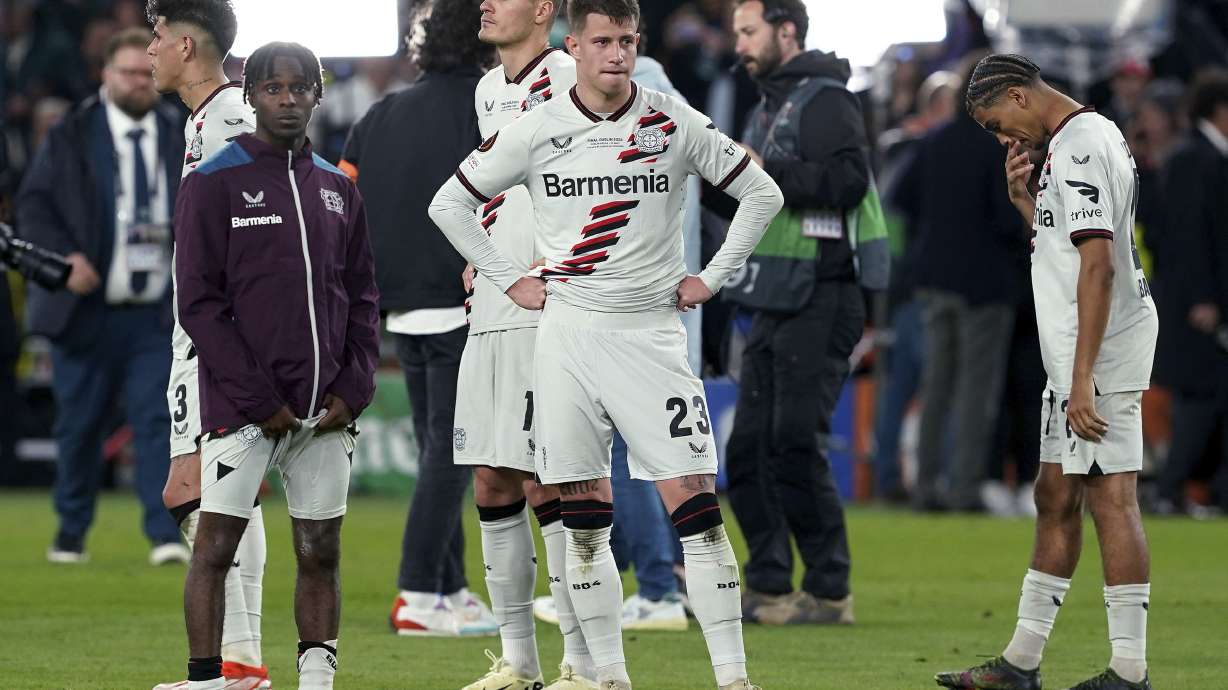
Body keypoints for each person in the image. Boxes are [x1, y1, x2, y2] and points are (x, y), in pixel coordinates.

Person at [430, 1, 783, 687]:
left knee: (696, 503)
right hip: (565, 336)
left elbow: (761, 193)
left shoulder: (671, 118)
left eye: (626, 41)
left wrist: (712, 277)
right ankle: (606, 678)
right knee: (583, 516)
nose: (614, 54)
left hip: (651, 335)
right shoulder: (537, 126)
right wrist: (510, 278)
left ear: (638, 44)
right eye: (602, 42)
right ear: (577, 45)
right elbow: (449, 202)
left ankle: (735, 678)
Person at [936, 54, 1159, 690]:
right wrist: (1024, 204)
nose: (1002, 137)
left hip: (1101, 351)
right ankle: (1021, 662)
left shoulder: (1083, 145)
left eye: (996, 121)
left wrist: (1084, 375)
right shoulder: (1077, 139)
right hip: (1074, 354)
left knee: (1112, 500)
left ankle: (1129, 670)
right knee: (1054, 495)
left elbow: (1100, 266)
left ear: (1019, 95)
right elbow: (1071, 246)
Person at [173, 42, 380, 690]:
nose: (287, 99)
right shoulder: (212, 181)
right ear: (251, 94)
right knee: (214, 550)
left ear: (318, 94)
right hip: (244, 410)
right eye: (273, 88)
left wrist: (356, 384)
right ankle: (208, 681)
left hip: (325, 412)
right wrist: (256, 396)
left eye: (300, 88)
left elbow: (365, 295)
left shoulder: (341, 191)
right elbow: (198, 304)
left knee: (320, 552)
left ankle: (317, 683)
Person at [440, 1, 598, 688]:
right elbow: (493, 187)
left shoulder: (573, 78)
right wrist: (483, 250)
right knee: (492, 475)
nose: (485, 4)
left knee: (550, 481)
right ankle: (518, 662)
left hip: (550, 308)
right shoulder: (487, 89)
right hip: (493, 308)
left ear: (542, 9)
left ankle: (585, 664)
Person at [339, 0, 499, 644]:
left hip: (399, 307)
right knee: (453, 453)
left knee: (442, 445)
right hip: (462, 298)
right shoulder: (490, 105)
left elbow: (343, 204)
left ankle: (451, 590)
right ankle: (418, 591)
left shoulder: (381, 113)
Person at [16, 27, 186, 566]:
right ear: (105, 75)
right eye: (128, 73)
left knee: (159, 420)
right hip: (85, 308)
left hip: (155, 312)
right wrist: (64, 258)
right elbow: (36, 206)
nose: (139, 82)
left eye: (146, 73)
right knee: (79, 424)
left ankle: (163, 534)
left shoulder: (178, 131)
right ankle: (71, 532)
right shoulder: (71, 133)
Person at [723, 0, 868, 625]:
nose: (740, 45)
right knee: (749, 450)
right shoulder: (772, 102)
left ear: (787, 31)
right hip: (773, 294)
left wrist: (764, 170)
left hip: (822, 291)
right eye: (737, 33)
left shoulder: (827, 100)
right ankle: (771, 585)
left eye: (749, 31)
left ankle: (830, 590)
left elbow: (849, 183)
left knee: (790, 443)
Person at [144, 1, 270, 686]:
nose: (150, 51)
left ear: (187, 45)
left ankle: (239, 662)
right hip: (201, 335)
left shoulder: (229, 122)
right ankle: (242, 662)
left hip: (213, 339)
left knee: (192, 492)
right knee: (224, 497)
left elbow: (264, 232)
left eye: (158, 37)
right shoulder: (207, 121)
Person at [900, 64, 1028, 514]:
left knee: (936, 386)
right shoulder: (996, 149)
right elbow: (1006, 216)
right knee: (976, 392)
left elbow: (903, 199)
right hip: (985, 284)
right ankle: (963, 488)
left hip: (935, 278)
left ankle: (924, 486)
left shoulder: (932, 142)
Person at [1152, 69, 1228, 515]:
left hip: (1206, 302)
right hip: (1195, 306)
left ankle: (1197, 488)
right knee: (1199, 397)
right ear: (1219, 110)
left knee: (1210, 397)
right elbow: (1186, 238)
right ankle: (1171, 487)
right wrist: (1203, 297)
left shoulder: (1203, 157)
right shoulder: (1192, 160)